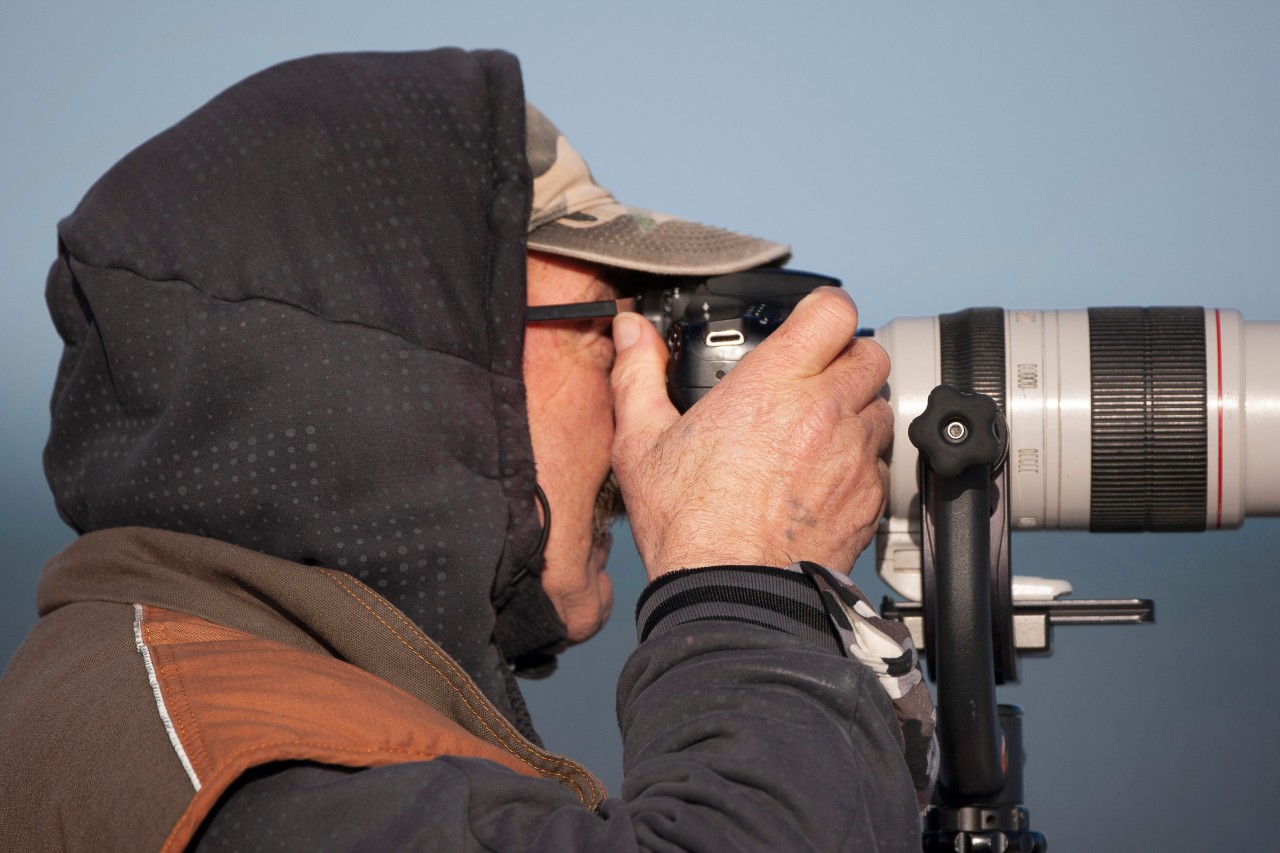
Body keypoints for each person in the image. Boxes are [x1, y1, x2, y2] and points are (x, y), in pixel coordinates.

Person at [0, 49, 934, 850]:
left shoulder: (239, 697)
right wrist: (743, 577)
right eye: (612, 329)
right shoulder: (245, 768)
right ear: (402, 369)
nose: (643, 404)